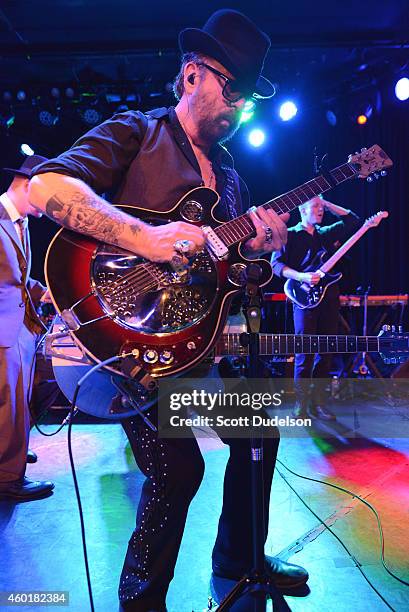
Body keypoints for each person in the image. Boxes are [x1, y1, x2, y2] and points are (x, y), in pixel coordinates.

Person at [28, 10, 309, 610]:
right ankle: (141, 600)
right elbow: (47, 188)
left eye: (248, 97)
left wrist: (258, 252)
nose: (238, 107)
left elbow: (227, 278)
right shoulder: (138, 132)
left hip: (195, 345)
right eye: (231, 88)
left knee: (259, 426)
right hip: (124, 347)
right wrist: (145, 238)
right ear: (190, 76)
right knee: (178, 472)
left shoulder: (231, 181)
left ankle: (240, 560)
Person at [271, 196, 360, 420]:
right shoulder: (289, 234)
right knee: (305, 350)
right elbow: (276, 265)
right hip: (303, 297)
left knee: (326, 350)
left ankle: (319, 403)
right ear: (303, 210)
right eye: (315, 207)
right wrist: (301, 275)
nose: (320, 211)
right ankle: (301, 405)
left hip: (329, 296)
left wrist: (327, 202)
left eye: (321, 208)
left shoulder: (326, 233)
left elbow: (353, 221)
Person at [0, 155, 55, 501]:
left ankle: (12, 451)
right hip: (5, 326)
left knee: (26, 395)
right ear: (28, 185)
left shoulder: (22, 223)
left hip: (23, 324)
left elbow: (17, 278)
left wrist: (42, 291)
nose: (51, 209)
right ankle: (8, 476)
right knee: (10, 401)